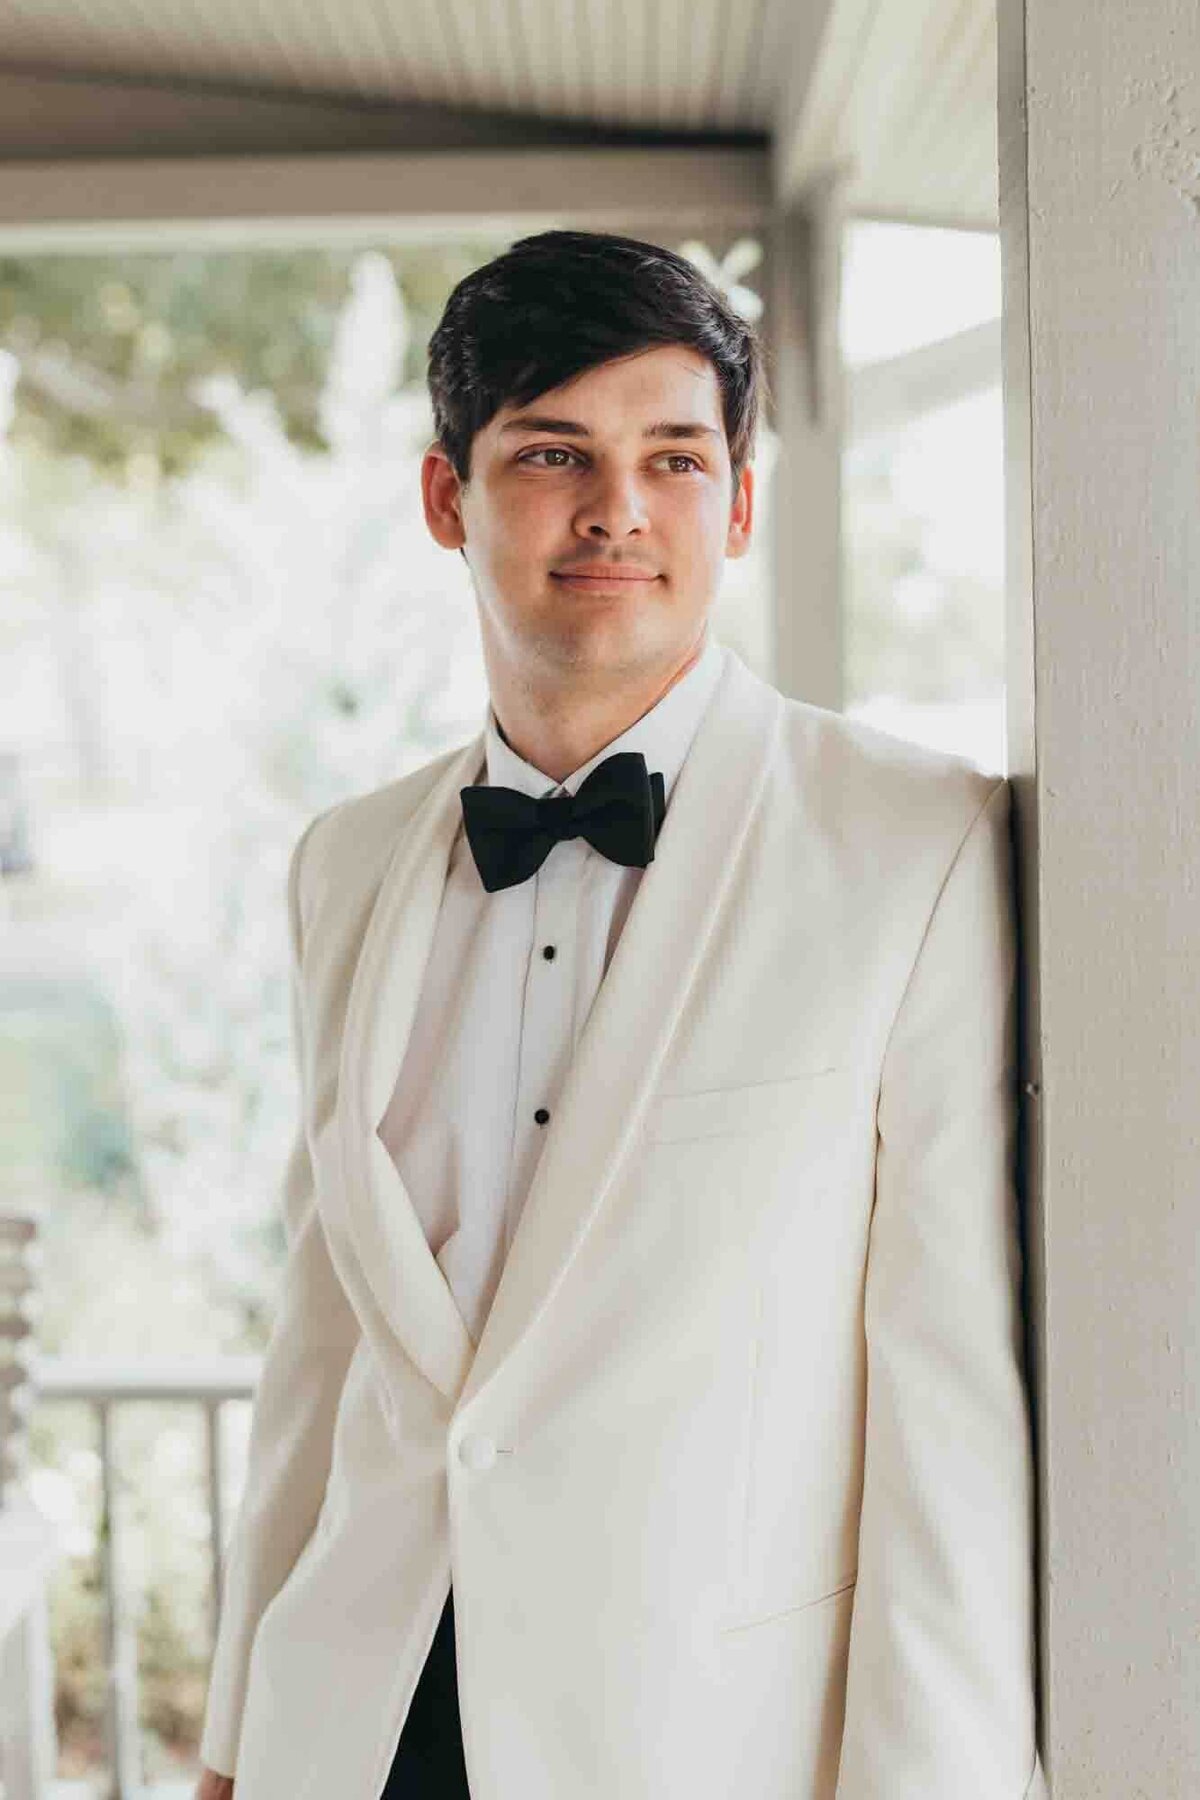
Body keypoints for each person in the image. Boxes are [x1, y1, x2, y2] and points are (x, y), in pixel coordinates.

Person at [195, 228, 1046, 1799]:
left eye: (673, 455)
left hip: (702, 1740)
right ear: (448, 499)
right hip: (363, 1726)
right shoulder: (347, 864)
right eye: (551, 454)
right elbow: (320, 1345)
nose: (617, 511)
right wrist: (246, 1732)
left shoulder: (915, 843)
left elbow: (948, 1401)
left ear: (734, 501)